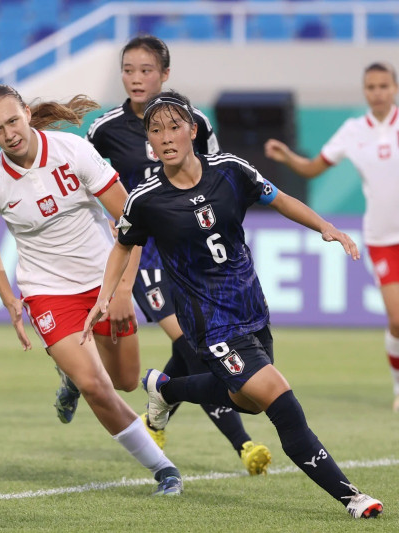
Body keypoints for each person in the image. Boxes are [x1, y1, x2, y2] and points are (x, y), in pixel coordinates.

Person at [82, 90, 383, 519]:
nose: (165, 137)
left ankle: (165, 388)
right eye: (155, 130)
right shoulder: (145, 199)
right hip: (210, 324)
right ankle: (353, 498)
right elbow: (122, 245)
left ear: (192, 130)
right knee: (281, 400)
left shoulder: (230, 170)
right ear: (149, 143)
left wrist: (325, 226)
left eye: (173, 127)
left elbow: (277, 198)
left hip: (250, 306)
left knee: (247, 401)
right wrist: (106, 296)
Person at [0, 84, 183, 496]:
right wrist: (10, 299)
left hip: (104, 282)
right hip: (47, 292)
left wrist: (120, 292)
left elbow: (131, 221)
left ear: (27, 113)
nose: (9, 133)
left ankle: (69, 376)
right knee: (96, 386)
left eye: (12, 120)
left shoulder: (73, 151)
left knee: (124, 379)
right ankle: (164, 470)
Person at [79, 34, 271, 475]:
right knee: (191, 345)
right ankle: (242, 444)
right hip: (143, 257)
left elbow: (220, 183)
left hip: (193, 257)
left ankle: (159, 398)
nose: (136, 78)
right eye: (128, 70)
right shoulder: (103, 130)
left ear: (165, 74)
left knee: (200, 346)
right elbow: (85, 185)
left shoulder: (195, 122)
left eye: (146, 70)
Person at [264, 61, 399, 413]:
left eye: (384, 86)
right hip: (382, 237)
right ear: (365, 91)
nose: (378, 93)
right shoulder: (354, 130)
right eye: (371, 87)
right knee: (397, 320)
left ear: (395, 89)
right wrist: (288, 157)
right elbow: (314, 167)